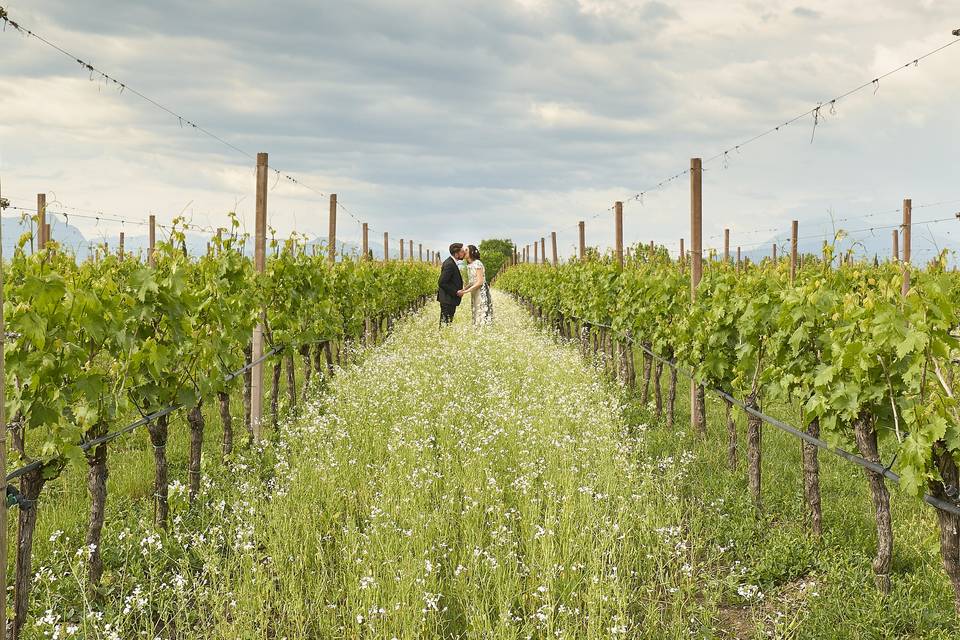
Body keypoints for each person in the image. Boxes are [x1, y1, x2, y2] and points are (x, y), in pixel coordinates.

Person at [460, 244, 494, 326]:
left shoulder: (477, 263)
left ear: (471, 252)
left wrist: (466, 291)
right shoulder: (469, 265)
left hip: (480, 291)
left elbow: (479, 282)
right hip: (474, 291)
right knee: (475, 310)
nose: (464, 252)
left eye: (466, 250)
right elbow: (472, 282)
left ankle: (483, 330)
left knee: (481, 311)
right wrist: (463, 289)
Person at [437, 243, 466, 325]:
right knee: (445, 325)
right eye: (462, 251)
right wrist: (456, 292)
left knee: (447, 324)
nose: (464, 253)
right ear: (456, 254)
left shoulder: (451, 262)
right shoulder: (450, 264)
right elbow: (441, 282)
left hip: (449, 300)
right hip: (448, 300)